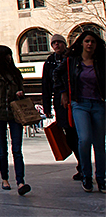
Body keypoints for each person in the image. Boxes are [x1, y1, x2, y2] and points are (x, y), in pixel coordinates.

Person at [55, 30, 106, 193]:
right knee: (84, 139)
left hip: (99, 104)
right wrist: (63, 92)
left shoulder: (101, 61)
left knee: (99, 144)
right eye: (87, 41)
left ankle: (101, 178)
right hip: (79, 104)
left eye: (93, 41)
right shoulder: (72, 61)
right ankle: (86, 175)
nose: (90, 44)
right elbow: (56, 74)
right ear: (82, 43)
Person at [0, 45, 31, 196]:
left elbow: (22, 89)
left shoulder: (15, 73)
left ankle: (21, 181)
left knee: (17, 149)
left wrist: (21, 93)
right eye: (5, 55)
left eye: (10, 55)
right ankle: (5, 179)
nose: (8, 58)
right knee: (3, 149)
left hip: (15, 114)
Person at [43, 34, 82, 180]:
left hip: (75, 99)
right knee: (70, 136)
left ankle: (84, 166)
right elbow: (46, 85)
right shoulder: (50, 62)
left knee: (81, 135)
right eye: (54, 44)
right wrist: (46, 106)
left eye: (59, 43)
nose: (56, 45)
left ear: (64, 44)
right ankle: (81, 165)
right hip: (60, 103)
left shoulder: (72, 58)